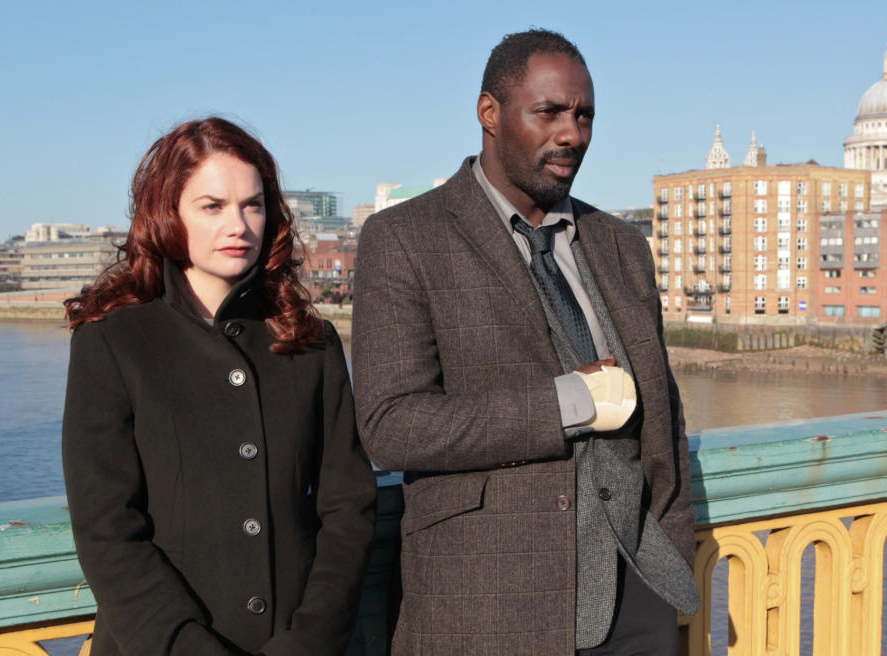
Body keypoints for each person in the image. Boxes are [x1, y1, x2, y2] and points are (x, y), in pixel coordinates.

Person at [353, 29, 700, 655]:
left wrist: (668, 556)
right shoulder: (403, 237)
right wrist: (567, 402)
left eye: (584, 114)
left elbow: (665, 419)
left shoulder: (623, 245)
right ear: (490, 114)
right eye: (549, 112)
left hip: (637, 595)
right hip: (488, 602)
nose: (572, 133)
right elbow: (391, 424)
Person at [62, 117, 377, 656]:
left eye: (252, 205)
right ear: (169, 213)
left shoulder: (310, 341)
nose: (239, 225)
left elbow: (347, 506)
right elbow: (106, 528)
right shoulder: (113, 341)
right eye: (213, 206)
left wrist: (309, 640)